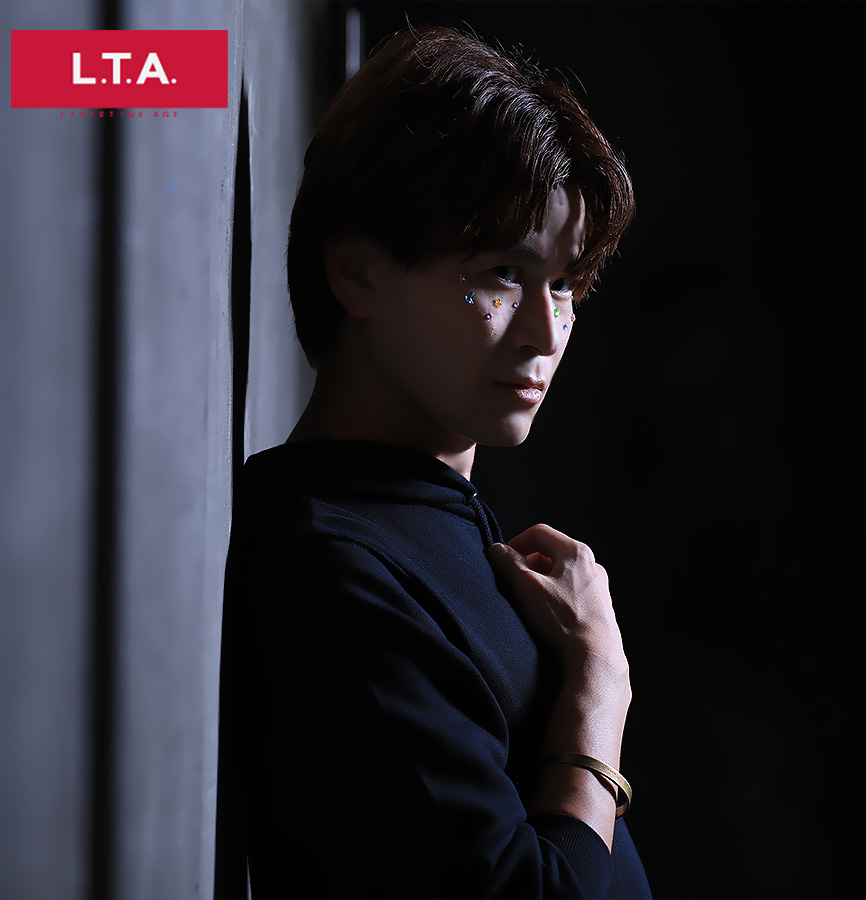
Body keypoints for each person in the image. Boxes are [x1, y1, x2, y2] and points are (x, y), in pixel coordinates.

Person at [215, 23, 650, 900]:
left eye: (564, 284)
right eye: (502, 273)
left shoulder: (423, 521)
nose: (546, 333)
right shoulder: (336, 567)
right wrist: (599, 689)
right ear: (357, 273)